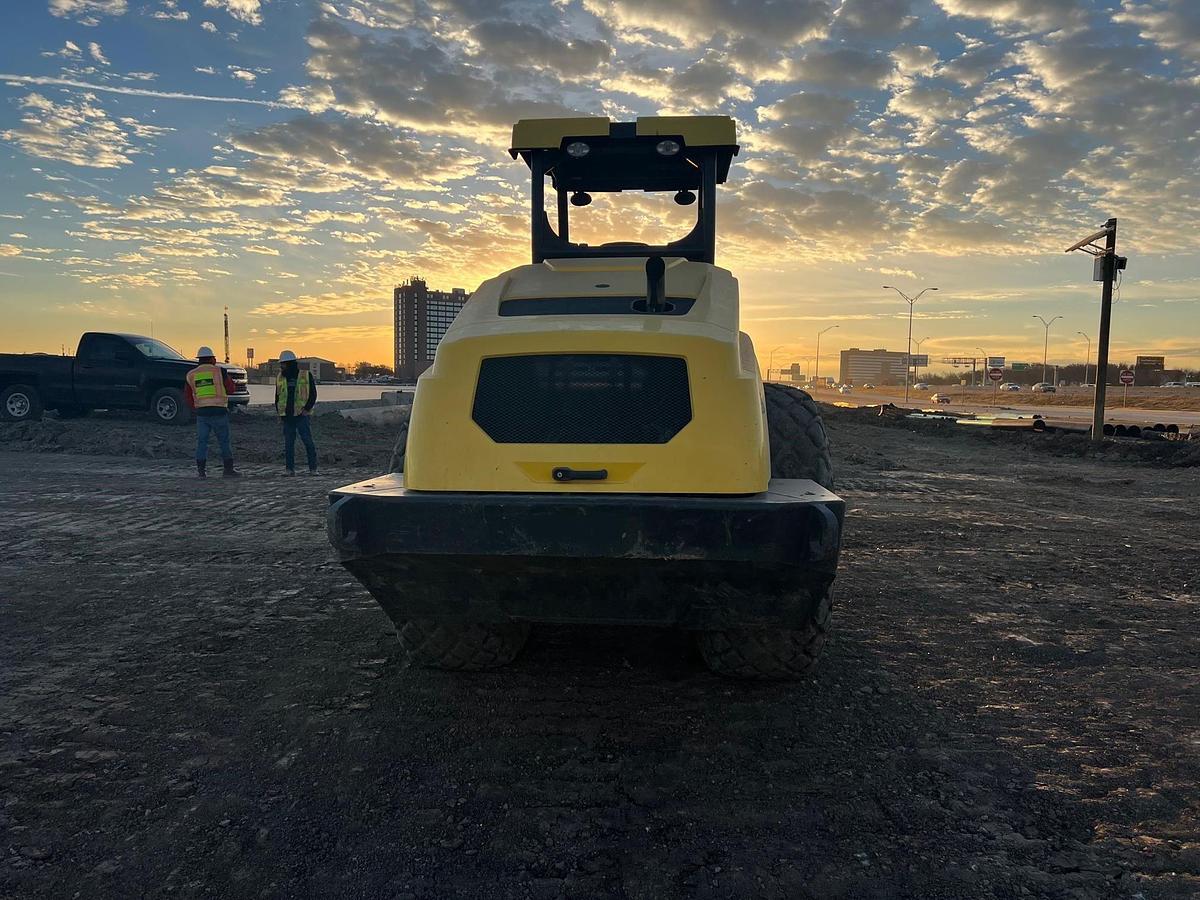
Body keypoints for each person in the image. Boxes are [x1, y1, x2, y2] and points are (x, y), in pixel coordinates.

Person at [185, 346, 241, 478]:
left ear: (199, 360)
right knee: (224, 442)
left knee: (202, 442)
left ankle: (201, 471)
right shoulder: (220, 371)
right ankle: (228, 470)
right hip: (219, 411)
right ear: (211, 359)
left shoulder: (191, 374)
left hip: (202, 413)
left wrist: (195, 408)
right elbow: (231, 389)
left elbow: (188, 396)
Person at [275, 349, 319, 475]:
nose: (281, 366)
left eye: (282, 364)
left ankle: (313, 469)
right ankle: (289, 469)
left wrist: (307, 409)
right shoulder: (280, 377)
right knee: (289, 445)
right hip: (287, 416)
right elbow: (277, 397)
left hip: (301, 415)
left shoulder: (305, 375)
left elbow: (313, 394)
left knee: (308, 442)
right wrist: (279, 413)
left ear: (288, 363)